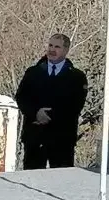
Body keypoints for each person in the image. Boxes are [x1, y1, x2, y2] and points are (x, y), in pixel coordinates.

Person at [15, 33, 88, 170]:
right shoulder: (33, 72)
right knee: (32, 179)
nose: (52, 49)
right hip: (34, 137)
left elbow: (75, 105)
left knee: (61, 182)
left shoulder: (76, 77)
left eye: (57, 47)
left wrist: (49, 116)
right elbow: (21, 97)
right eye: (50, 45)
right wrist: (36, 113)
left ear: (66, 50)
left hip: (62, 138)